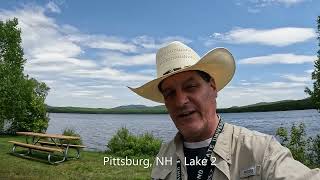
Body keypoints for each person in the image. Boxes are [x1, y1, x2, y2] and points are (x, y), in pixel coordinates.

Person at [129, 41, 320, 180]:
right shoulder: (165, 153)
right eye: (170, 93)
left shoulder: (260, 151)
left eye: (190, 87)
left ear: (212, 87)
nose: (180, 101)